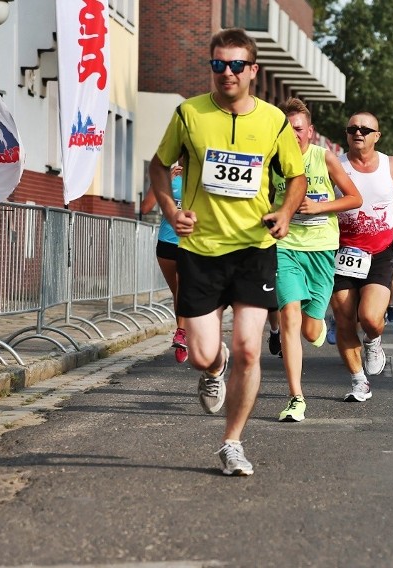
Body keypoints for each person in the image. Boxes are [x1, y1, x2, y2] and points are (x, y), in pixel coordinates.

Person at [148, 28, 307, 476]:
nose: (227, 73)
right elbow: (159, 166)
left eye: (237, 64)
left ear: (253, 70)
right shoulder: (190, 114)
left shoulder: (274, 120)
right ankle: (213, 368)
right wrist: (170, 207)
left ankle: (232, 442)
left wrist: (286, 213)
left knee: (249, 348)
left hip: (254, 248)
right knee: (202, 354)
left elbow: (295, 178)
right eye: (219, 64)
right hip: (200, 249)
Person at [270, 97, 362, 422]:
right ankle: (296, 397)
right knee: (288, 319)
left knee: (310, 332)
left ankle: (320, 322)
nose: (292, 134)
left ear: (310, 131)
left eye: (298, 129)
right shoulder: (273, 161)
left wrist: (319, 207)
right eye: (287, 129)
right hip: (286, 247)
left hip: (321, 249)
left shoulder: (325, 158)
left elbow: (355, 198)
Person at [331, 111, 393, 401]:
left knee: (370, 317)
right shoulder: (335, 165)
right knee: (343, 320)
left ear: (377, 136)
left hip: (379, 252)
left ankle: (374, 340)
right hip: (340, 252)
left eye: (366, 129)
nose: (359, 133)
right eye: (352, 128)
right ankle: (358, 381)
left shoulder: (390, 165)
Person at [141, 161, 188, 363]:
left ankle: (182, 333)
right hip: (167, 243)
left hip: (192, 244)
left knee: (185, 289)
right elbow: (146, 207)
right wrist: (164, 182)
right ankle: (183, 333)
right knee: (178, 292)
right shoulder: (170, 176)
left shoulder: (204, 176)